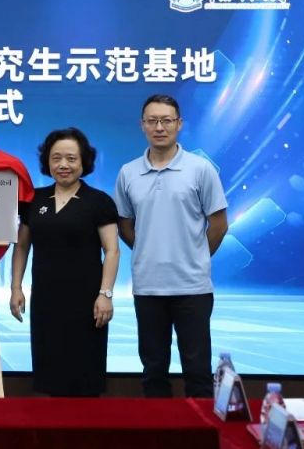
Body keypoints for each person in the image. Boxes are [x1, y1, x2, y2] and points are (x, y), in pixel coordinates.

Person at [114, 94, 228, 398]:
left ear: (179, 124)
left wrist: (195, 255)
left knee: (198, 371)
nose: (159, 127)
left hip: (193, 287)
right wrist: (147, 250)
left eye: (166, 120)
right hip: (148, 287)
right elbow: (124, 225)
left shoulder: (201, 169)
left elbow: (219, 225)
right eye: (152, 121)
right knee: (153, 371)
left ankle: (200, 425)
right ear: (142, 125)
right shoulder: (128, 172)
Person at [9, 128, 120, 396]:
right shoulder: (34, 200)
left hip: (88, 301)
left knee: (85, 375)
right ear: (47, 161)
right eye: (56, 158)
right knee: (48, 371)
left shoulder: (99, 201)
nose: (63, 165)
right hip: (45, 299)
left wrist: (105, 294)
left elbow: (112, 250)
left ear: (84, 162)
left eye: (71, 158)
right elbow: (22, 245)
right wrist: (16, 288)